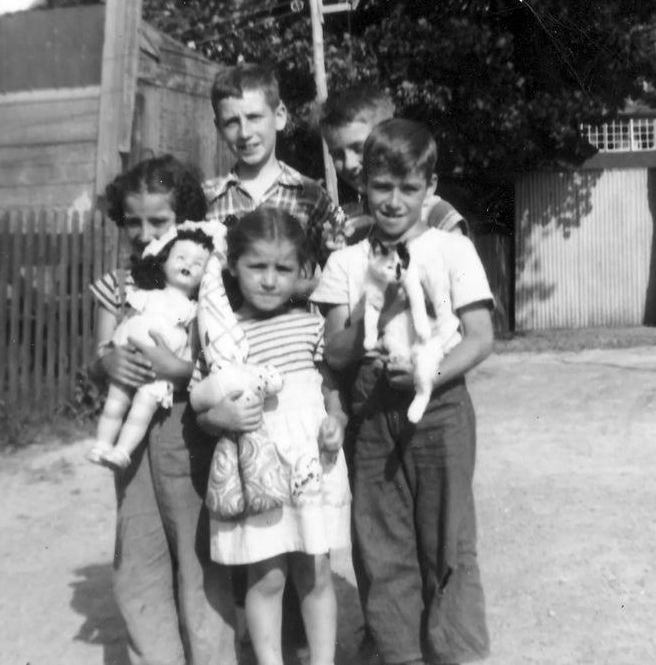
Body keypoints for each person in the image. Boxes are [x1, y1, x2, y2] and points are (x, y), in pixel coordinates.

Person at [313, 118, 495, 665]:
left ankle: (454, 653)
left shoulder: (451, 250)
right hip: (371, 416)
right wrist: (375, 301)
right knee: (381, 544)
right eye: (382, 187)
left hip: (439, 409)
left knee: (447, 540)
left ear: (430, 189)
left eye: (408, 188)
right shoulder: (345, 261)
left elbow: (481, 337)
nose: (393, 201)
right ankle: (399, 654)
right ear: (362, 185)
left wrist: (429, 374)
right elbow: (335, 354)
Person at [87, 154, 255, 665]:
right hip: (135, 446)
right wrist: (110, 361)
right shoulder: (117, 287)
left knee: (200, 557)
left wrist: (170, 367)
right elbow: (100, 357)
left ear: (183, 219)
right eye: (132, 222)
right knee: (139, 555)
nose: (142, 233)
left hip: (189, 431)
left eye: (157, 221)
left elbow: (217, 365)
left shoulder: (205, 280)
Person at [197, 207, 352, 665]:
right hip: (259, 469)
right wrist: (221, 415)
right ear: (232, 266)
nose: (269, 280)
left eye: (283, 269)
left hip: (310, 464)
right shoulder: (224, 337)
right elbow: (204, 410)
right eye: (256, 266)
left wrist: (336, 422)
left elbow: (330, 389)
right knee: (266, 577)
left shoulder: (310, 326)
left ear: (302, 271)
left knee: (316, 569)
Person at [87, 225, 218, 471]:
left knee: (141, 411)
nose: (187, 264)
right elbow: (128, 320)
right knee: (114, 404)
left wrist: (176, 369)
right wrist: (118, 344)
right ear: (164, 260)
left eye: (198, 263)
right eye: (180, 257)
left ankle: (122, 451)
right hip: (131, 360)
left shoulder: (193, 310)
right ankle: (102, 444)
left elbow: (191, 350)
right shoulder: (147, 295)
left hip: (161, 374)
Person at [202, 62, 344, 271]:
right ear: (219, 128)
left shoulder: (311, 195)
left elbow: (337, 267)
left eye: (254, 117)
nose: (244, 133)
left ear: (279, 117)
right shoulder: (208, 198)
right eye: (232, 122)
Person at [319, 82, 467, 243]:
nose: (349, 164)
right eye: (337, 154)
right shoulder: (350, 224)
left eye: (359, 148)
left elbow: (459, 262)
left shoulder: (434, 213)